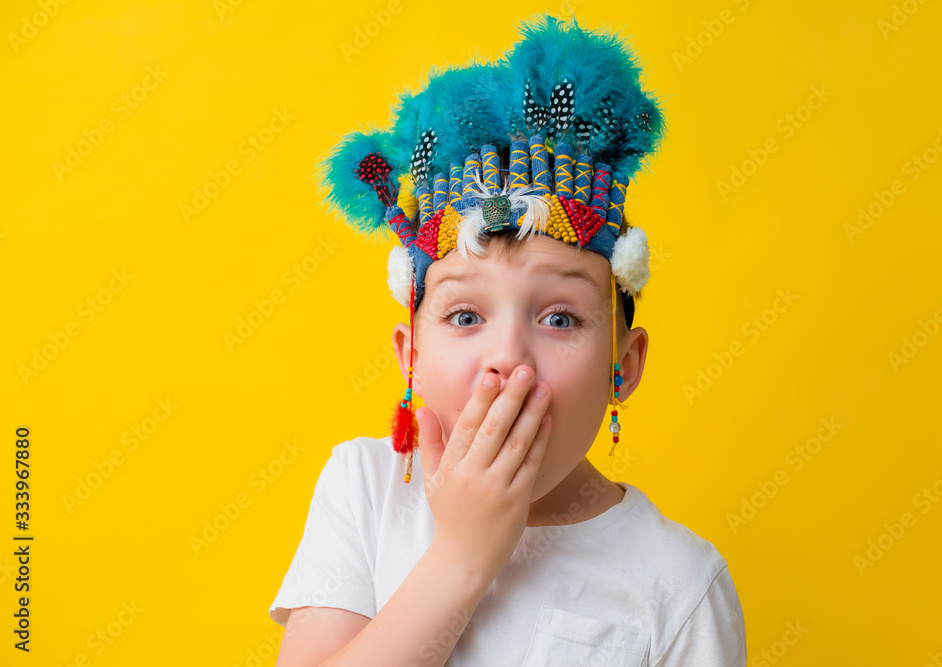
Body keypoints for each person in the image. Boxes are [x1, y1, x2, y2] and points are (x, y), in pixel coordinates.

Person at [268, 14, 747, 666]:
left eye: (559, 318)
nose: (507, 357)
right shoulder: (365, 488)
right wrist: (461, 557)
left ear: (622, 367)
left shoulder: (680, 584)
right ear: (410, 354)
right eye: (466, 316)